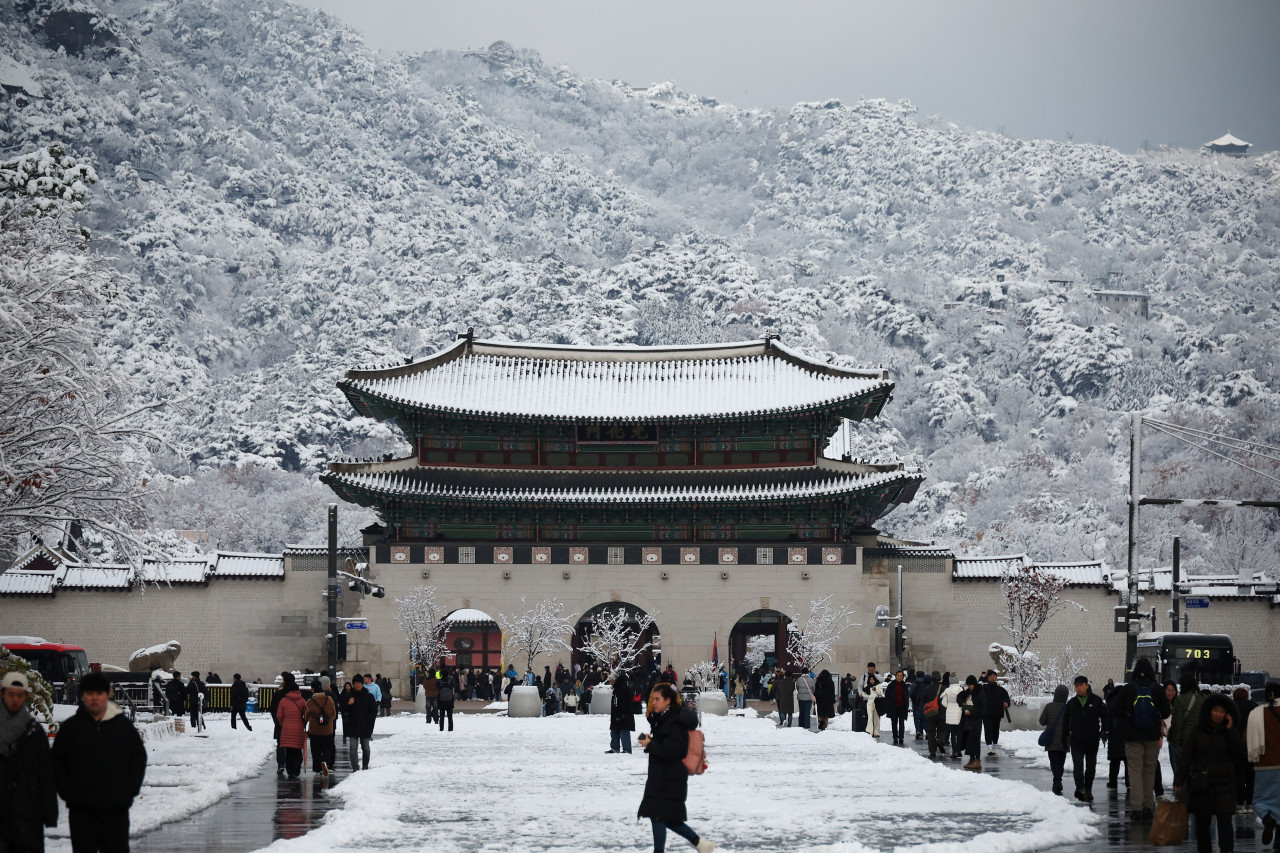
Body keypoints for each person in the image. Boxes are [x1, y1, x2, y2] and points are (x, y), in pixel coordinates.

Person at [51, 671, 147, 853]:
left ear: (107, 695)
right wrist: (67, 792)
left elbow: (138, 758)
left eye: (99, 693)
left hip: (115, 809)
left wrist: (129, 790)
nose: (94, 698)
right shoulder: (71, 727)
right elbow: (58, 761)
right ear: (82, 696)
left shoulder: (122, 726)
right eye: (89, 693)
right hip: (81, 809)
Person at [636, 684, 715, 853]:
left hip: (670, 777)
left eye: (657, 699)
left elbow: (673, 750)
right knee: (668, 818)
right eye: (652, 699)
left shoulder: (675, 722)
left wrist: (650, 744)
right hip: (662, 776)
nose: (653, 703)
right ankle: (701, 844)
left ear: (668, 701)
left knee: (658, 816)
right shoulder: (664, 718)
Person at [1174, 693, 1244, 853]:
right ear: (1209, 711)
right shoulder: (1198, 731)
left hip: (1224, 784)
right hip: (1202, 784)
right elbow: (1187, 757)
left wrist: (1231, 731)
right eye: (1215, 711)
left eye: (1221, 711)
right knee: (1202, 826)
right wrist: (1179, 780)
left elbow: (1239, 753)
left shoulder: (1229, 732)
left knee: (1225, 822)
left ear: (1227, 714)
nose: (1217, 714)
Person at [0, 671, 59, 852]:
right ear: (2, 694)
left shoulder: (33, 732)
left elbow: (45, 774)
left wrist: (49, 813)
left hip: (27, 815)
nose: (15, 700)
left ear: (26, 696)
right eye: (11, 694)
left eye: (20, 695)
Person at [1114, 657, 1172, 820]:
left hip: (1132, 737)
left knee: (1134, 771)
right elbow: (1166, 713)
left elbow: (1117, 712)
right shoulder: (1157, 689)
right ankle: (1148, 806)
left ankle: (1136, 808)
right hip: (1152, 736)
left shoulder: (1128, 689)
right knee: (1149, 770)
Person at [1062, 675, 1108, 802]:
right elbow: (1065, 723)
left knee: (1090, 767)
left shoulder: (1096, 701)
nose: (1078, 688)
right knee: (1078, 766)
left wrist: (1104, 731)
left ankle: (1088, 789)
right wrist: (1064, 739)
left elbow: (1105, 716)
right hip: (1076, 740)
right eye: (1076, 686)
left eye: (1080, 685)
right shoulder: (1071, 703)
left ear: (1087, 685)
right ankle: (1079, 788)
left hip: (1092, 740)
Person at [1246, 681, 1280, 847]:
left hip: (1264, 766)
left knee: (1259, 801)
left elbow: (1247, 739)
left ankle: (1267, 819)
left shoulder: (1256, 713)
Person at [1171, 671, 1206, 777]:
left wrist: (1176, 744)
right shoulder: (1204, 698)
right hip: (1201, 740)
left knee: (1184, 772)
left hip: (1185, 742)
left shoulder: (1180, 700)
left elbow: (1177, 724)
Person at [1039, 684, 1071, 795]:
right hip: (1064, 740)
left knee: (1054, 761)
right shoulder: (1068, 708)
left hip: (1051, 739)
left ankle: (1057, 781)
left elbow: (1042, 721)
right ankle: (1058, 781)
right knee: (1061, 762)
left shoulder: (1049, 706)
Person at [275, 676, 307, 779]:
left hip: (286, 729)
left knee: (288, 751)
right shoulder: (302, 701)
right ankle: (297, 766)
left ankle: (290, 770)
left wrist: (283, 723)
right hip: (298, 728)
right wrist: (303, 722)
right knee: (297, 749)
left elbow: (279, 716)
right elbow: (306, 714)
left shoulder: (283, 701)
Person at [1231, 687, 1256, 814]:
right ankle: (1250, 803)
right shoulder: (1254, 706)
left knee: (1238, 776)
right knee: (1251, 775)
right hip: (1251, 744)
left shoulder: (1232, 706)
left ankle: (1240, 803)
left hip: (1236, 745)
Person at [345, 675, 378, 769]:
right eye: (355, 684)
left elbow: (374, 710)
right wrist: (348, 704)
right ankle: (355, 767)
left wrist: (368, 721)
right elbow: (343, 709)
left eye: (359, 683)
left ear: (362, 684)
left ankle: (365, 766)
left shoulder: (368, 696)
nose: (357, 685)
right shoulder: (349, 696)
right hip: (353, 726)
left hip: (365, 726)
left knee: (366, 748)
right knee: (353, 748)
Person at [305, 678, 336, 777]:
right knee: (327, 749)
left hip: (315, 731)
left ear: (313, 689)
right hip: (328, 730)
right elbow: (334, 714)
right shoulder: (329, 699)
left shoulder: (310, 701)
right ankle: (325, 763)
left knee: (315, 750)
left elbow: (306, 716)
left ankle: (317, 768)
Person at [959, 675, 987, 771]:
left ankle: (977, 760)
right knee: (968, 739)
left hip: (975, 719)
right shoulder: (968, 692)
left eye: (971, 685)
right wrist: (962, 703)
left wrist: (972, 711)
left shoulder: (979, 693)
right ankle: (971, 759)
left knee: (975, 739)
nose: (969, 686)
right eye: (968, 685)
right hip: (967, 719)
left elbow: (982, 708)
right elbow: (960, 696)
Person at [982, 671, 1011, 755]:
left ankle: (994, 745)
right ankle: (989, 747)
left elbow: (1007, 699)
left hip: (997, 713)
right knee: (988, 730)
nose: (992, 677)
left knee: (995, 730)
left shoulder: (1001, 690)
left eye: (994, 676)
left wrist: (1006, 703)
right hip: (986, 714)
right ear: (987, 678)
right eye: (990, 676)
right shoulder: (983, 689)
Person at [609, 673, 636, 753]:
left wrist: (622, 714)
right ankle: (615, 748)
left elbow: (625, 703)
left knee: (624, 731)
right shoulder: (617, 688)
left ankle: (626, 749)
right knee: (614, 730)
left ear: (615, 680)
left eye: (611, 681)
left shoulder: (622, 689)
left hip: (624, 715)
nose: (610, 682)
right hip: (617, 714)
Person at [941, 673, 965, 759]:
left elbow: (943, 703)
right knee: (959, 734)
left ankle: (954, 751)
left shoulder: (947, 690)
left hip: (950, 713)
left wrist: (950, 705)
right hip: (959, 712)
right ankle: (959, 751)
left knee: (952, 734)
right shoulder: (961, 689)